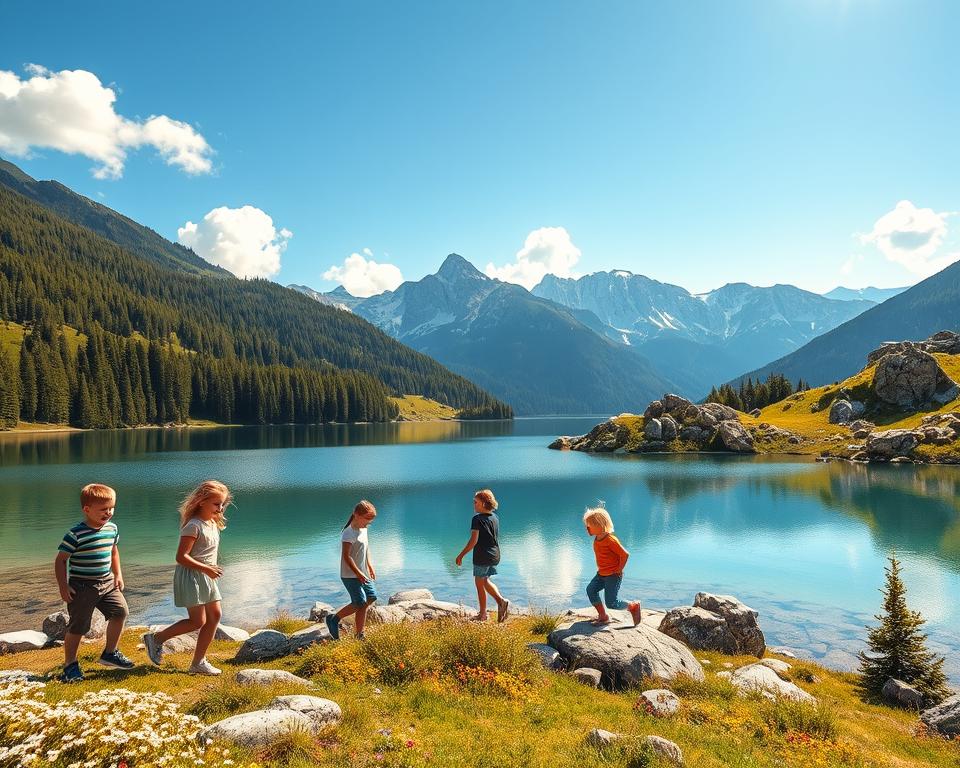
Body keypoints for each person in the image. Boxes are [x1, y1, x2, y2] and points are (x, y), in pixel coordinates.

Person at [142, 480, 230, 675]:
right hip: (192, 575)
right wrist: (206, 568)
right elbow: (181, 557)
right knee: (197, 621)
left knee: (215, 616)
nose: (221, 507)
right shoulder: (193, 526)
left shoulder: (213, 522)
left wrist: (209, 569)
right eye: (217, 504)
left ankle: (198, 662)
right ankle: (156, 639)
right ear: (201, 501)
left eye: (223, 503)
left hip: (205, 575)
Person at [54, 483, 134, 682]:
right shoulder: (76, 534)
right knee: (78, 626)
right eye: (103, 509)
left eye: (111, 508)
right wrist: (64, 586)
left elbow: (113, 551)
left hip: (107, 581)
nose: (108, 513)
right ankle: (70, 665)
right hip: (82, 586)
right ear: (87, 510)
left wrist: (118, 574)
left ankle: (110, 653)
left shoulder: (112, 528)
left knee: (120, 612)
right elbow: (61, 560)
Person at [326, 500, 378, 641]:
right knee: (359, 602)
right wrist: (358, 573)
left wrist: (369, 565)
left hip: (363, 572)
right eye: (366, 519)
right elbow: (346, 556)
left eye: (370, 520)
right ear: (356, 514)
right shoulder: (348, 533)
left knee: (371, 597)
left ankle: (359, 633)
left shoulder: (364, 529)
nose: (368, 523)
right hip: (350, 574)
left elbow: (365, 549)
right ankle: (334, 619)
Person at [456, 489, 509, 623]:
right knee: (485, 581)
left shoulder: (477, 519)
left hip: (482, 556)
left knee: (479, 585)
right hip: (495, 555)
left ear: (484, 503)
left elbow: (473, 541)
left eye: (475, 502)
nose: (473, 505)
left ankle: (483, 614)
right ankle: (501, 602)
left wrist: (461, 555)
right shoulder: (495, 517)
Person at [583, 505, 641, 626]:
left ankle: (633, 606)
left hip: (613, 576)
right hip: (601, 574)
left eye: (589, 526)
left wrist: (618, 570)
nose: (587, 528)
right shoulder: (597, 539)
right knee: (591, 590)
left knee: (612, 603)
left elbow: (625, 555)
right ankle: (603, 616)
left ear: (600, 525)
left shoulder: (610, 540)